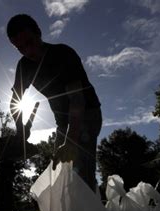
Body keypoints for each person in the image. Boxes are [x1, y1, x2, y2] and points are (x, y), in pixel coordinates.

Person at [7, 14, 102, 192]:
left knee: (80, 170)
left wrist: (71, 141)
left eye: (29, 42)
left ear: (39, 34)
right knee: (60, 169)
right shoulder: (24, 66)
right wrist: (21, 130)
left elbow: (77, 99)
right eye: (20, 48)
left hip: (86, 113)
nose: (27, 51)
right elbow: (15, 101)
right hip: (62, 121)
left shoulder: (62, 54)